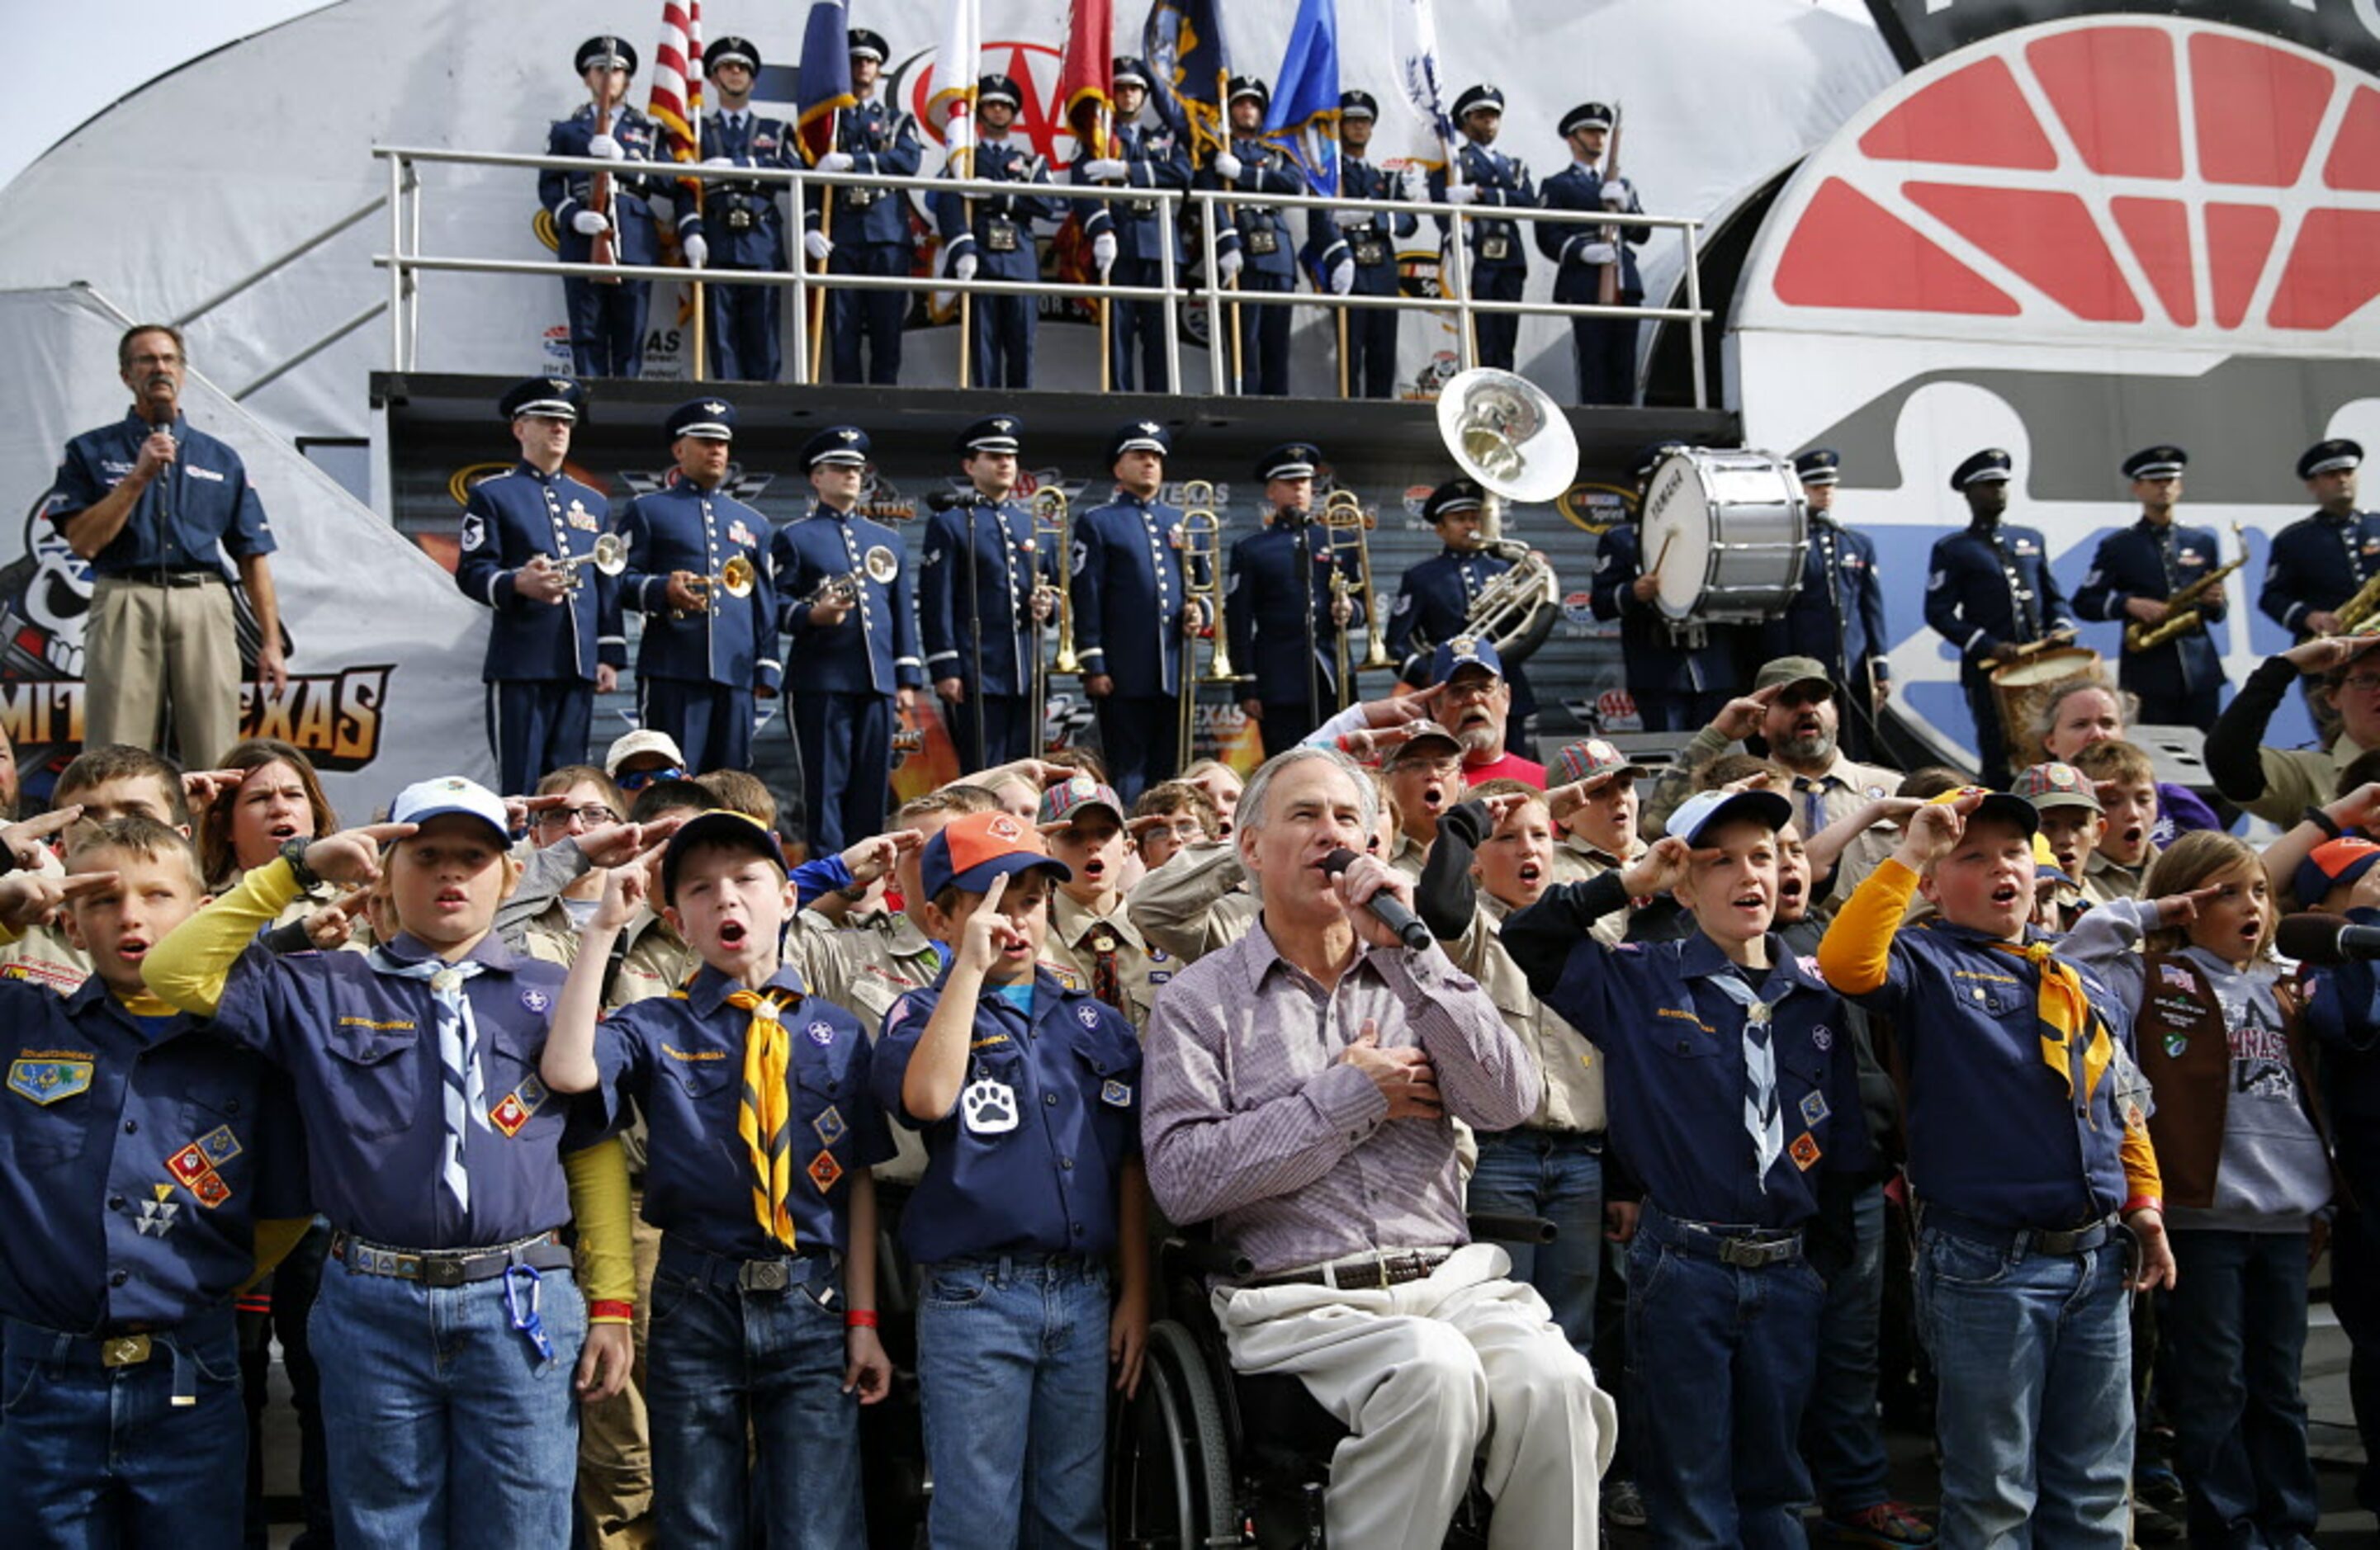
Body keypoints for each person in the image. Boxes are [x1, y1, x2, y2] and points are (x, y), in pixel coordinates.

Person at [141, 777, 638, 1548]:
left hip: (519, 1301)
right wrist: (295, 870)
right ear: (381, 876)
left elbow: (592, 1152)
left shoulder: (552, 989)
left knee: (523, 1530)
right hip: (370, 1300)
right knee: (382, 1532)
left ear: (510, 876)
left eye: (472, 857)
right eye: (425, 855)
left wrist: (610, 1303)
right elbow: (172, 973)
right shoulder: (316, 984)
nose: (448, 873)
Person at [1140, 746, 1611, 1547]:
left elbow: (1506, 1102)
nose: (1332, 833)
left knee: (1556, 1381)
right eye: (1306, 815)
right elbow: (1184, 1181)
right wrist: (1350, 1098)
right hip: (1299, 1297)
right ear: (1250, 848)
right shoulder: (1198, 1001)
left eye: (1348, 818)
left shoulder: (1415, 967)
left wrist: (1411, 959)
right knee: (1432, 1370)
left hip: (1451, 1278)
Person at [1501, 784, 1869, 1546]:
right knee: (1690, 1483)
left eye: (1762, 857)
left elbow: (1842, 1146)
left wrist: (1820, 1263)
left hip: (1787, 1267)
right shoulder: (1641, 978)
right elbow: (1529, 940)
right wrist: (1624, 882)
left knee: (1775, 1482)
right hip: (1684, 1265)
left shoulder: (1813, 997)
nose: (1748, 877)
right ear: (1684, 881)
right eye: (1719, 860)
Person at [1818, 789, 2174, 1548]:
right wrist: (1910, 849)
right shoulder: (1924, 960)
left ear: (2037, 868)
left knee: (2097, 1488)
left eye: (2011, 852)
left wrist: (2143, 1205)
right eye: (1969, 857)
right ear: (1933, 886)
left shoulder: (2082, 982)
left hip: (2095, 1259)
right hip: (1985, 1262)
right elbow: (1844, 964)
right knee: (1993, 1495)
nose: (1998, 868)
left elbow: (2123, 1106)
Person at [542, 810, 893, 1546]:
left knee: (816, 1523)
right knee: (698, 1519)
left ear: (789, 898)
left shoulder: (836, 1031)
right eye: (700, 890)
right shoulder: (655, 1026)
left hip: (813, 1298)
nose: (725, 899)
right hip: (694, 1297)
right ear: (677, 919)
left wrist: (862, 1321)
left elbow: (856, 1181)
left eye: (745, 880)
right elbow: (570, 1070)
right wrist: (603, 928)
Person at [0, 816, 308, 1550]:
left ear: (202, 915)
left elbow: (287, 1209)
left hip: (187, 1375)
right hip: (39, 1378)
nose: (130, 916)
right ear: (68, 924)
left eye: (156, 895)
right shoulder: (18, 1018)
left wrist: (191, 1281)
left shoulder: (250, 1045)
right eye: (102, 900)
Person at [871, 810, 1150, 1549]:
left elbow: (1127, 1167)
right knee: (977, 1517)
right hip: (976, 1297)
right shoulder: (922, 1011)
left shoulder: (1093, 1022)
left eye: (1029, 897)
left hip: (1084, 1294)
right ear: (940, 916)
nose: (1014, 918)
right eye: (990, 900)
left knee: (1071, 1515)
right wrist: (965, 966)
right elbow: (927, 1098)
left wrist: (1135, 1295)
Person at [2064, 832, 2328, 1550]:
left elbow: (2312, 1101)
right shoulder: (2149, 979)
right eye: (2226, 893)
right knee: (2214, 1385)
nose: (2250, 906)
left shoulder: (2288, 984)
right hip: (2199, 1219)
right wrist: (2148, 914)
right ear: (2184, 904)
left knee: (2279, 1389)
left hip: (2284, 1219)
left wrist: (2324, 1198)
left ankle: (2289, 1527)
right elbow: (2069, 961)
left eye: (2259, 892)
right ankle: (2228, 1530)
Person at [1414, 787, 1609, 1365]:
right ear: (1476, 859)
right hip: (1502, 1156)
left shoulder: (1588, 933)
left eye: (1540, 835)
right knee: (1505, 1325)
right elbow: (1440, 908)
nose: (1528, 848)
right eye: (1507, 838)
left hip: (1582, 1159)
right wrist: (1465, 825)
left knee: (1574, 1330)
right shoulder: (1470, 934)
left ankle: (1574, 1452)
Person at [45, 322, 284, 763]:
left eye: (168, 359)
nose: (159, 368)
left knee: (217, 747)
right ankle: (116, 833)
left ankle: (210, 834)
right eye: (146, 360)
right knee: (115, 750)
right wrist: (138, 477)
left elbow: (252, 555)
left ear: (183, 371)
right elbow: (82, 542)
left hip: (204, 599)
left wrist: (270, 642)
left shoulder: (220, 458)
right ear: (126, 375)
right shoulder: (90, 450)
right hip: (125, 596)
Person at [457, 376, 625, 795]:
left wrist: (608, 654)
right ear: (519, 429)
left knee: (568, 786)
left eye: (566, 421)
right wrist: (518, 582)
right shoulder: (493, 495)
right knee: (520, 784)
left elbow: (607, 582)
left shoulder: (594, 502)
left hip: (577, 664)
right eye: (548, 419)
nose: (559, 428)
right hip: (521, 662)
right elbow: (472, 571)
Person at [773, 425, 923, 853]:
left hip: (876, 683)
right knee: (825, 788)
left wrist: (907, 679)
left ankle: (867, 879)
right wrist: (811, 615)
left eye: (856, 469)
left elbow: (900, 615)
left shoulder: (888, 540)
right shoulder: (795, 537)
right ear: (816, 478)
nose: (851, 476)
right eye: (839, 469)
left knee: (871, 787)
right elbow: (773, 606)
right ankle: (830, 881)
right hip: (820, 681)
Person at [617, 397, 782, 774]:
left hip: (735, 674)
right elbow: (618, 581)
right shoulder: (647, 510)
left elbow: (765, 602)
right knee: (670, 778)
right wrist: (660, 589)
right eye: (706, 441)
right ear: (679, 449)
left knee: (730, 781)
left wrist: (766, 668)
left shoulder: (753, 522)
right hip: (672, 669)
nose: (716, 451)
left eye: (722, 443)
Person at [1924, 448, 2080, 790]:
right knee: (2000, 752)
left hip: (2043, 666)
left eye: (2002, 484)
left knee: (2051, 748)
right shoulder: (1954, 548)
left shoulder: (2030, 538)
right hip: (1993, 673)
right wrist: (1989, 646)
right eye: (1988, 485)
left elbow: (2054, 597)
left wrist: (2061, 627)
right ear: (1969, 493)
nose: (1997, 491)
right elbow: (1938, 612)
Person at [1071, 422, 1201, 805]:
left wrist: (1200, 610)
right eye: (1139, 456)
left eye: (1156, 457)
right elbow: (1087, 594)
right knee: (1127, 766)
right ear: (1118, 469)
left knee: (1171, 766)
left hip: (1175, 668)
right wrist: (1093, 662)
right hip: (1124, 670)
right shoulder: (1099, 521)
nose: (1150, 463)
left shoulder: (1180, 521)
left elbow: (1202, 585)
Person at [920, 415, 1054, 773]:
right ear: (969, 465)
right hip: (976, 672)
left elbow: (1055, 590)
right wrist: (946, 668)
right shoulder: (950, 521)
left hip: (1028, 671)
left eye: (1010, 456)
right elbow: (937, 602)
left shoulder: (1033, 523)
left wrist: (1049, 604)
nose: (1005, 463)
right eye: (994, 456)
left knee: (1028, 771)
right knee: (983, 772)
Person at [2074, 445, 2228, 732]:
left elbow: (2219, 614)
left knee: (2208, 756)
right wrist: (2128, 603)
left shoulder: (2202, 541)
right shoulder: (2119, 546)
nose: (2163, 487)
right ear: (2137, 488)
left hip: (2201, 671)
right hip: (2148, 673)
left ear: (2180, 486)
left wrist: (2216, 601)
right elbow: (2085, 602)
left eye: (2170, 480)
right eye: (2155, 481)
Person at [542, 36, 665, 378]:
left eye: (617, 72)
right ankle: (589, 398)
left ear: (627, 80)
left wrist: (624, 162)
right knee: (587, 327)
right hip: (585, 232)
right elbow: (549, 185)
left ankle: (628, 403)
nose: (608, 77)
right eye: (600, 70)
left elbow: (670, 182)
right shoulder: (567, 131)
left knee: (631, 327)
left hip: (634, 234)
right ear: (586, 78)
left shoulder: (649, 131)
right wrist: (573, 216)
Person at [1592, 441, 1737, 732]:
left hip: (1713, 670)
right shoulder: (1620, 539)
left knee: (1717, 760)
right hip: (1659, 672)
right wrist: (1632, 592)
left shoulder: (1715, 533)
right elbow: (1601, 603)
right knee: (1671, 760)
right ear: (1643, 487)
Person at [809, 26, 924, 386]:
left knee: (887, 333)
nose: (863, 67)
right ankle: (846, 409)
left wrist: (852, 163)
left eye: (870, 62)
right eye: (856, 61)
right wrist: (811, 224)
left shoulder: (898, 120)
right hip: (841, 233)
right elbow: (811, 179)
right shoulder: (828, 123)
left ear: (880, 70)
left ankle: (883, 409)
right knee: (842, 335)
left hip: (886, 234)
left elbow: (908, 161)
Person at [933, 74, 1062, 390]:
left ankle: (1021, 411)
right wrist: (962, 248)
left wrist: (998, 195)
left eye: (1005, 106)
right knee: (983, 345)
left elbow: (1047, 203)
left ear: (1014, 113)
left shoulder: (1032, 163)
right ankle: (987, 412)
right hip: (981, 258)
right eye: (991, 105)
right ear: (980, 112)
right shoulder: (965, 160)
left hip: (1019, 261)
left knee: (1021, 344)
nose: (998, 112)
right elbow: (943, 202)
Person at [1226, 443, 1357, 753]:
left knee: (1345, 764)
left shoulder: (1340, 541)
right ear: (1271, 491)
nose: (1299, 489)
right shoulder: (1252, 548)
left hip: (1333, 676)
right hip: (1278, 680)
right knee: (1286, 763)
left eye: (1305, 481)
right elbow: (1239, 621)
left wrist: (1352, 610)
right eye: (1289, 482)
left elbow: (1362, 602)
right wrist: (1247, 685)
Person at [1763, 450, 1890, 761]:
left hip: (1852, 663)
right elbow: (1780, 612)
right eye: (1816, 486)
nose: (1825, 492)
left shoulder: (1855, 541)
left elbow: (1871, 607)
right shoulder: (1790, 544)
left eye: (1830, 486)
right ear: (1801, 489)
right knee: (1812, 742)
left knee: (1857, 740)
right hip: (1808, 662)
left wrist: (1881, 664)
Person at [1074, 58, 1191, 393]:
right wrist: (1101, 230)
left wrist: (1128, 171)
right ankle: (1120, 399)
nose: (1127, 96)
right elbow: (1081, 188)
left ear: (1145, 95)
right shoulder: (1096, 141)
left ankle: (1161, 403)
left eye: (1134, 89)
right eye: (1121, 89)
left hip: (1161, 245)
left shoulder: (1165, 140)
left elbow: (1183, 175)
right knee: (1117, 332)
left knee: (1161, 333)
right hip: (1119, 242)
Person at [1386, 479, 1539, 733]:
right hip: (1450, 694)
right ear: (1440, 529)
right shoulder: (1421, 577)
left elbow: (1526, 627)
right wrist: (1429, 676)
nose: (1469, 525)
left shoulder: (1507, 569)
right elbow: (1396, 643)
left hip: (1504, 686)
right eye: (1459, 519)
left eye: (1474, 518)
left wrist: (1533, 581)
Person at [1035, 774, 1174, 1029]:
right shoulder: (1028, 938)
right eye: (1073, 835)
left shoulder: (1166, 934)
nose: (1092, 845)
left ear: (1128, 848)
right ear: (1046, 849)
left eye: (1105, 833)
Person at [1200, 77, 1308, 396]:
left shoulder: (1276, 150)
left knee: (1277, 345)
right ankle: (1245, 410)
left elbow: (1293, 183)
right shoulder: (1217, 150)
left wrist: (1243, 175)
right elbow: (1210, 198)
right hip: (1242, 248)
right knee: (1243, 343)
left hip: (1278, 253)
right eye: (1241, 104)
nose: (1248, 110)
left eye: (1253, 105)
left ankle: (1278, 412)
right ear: (1230, 109)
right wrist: (1227, 242)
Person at [691, 36, 790, 383]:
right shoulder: (696, 129)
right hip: (716, 237)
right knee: (721, 339)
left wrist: (743, 163)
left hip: (761, 240)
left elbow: (794, 171)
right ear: (713, 77)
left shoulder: (775, 131)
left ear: (754, 79)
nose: (735, 73)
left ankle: (767, 416)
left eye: (743, 68)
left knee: (763, 336)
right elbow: (678, 184)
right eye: (727, 67)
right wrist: (690, 230)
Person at [2207, 632, 2380, 825]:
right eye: (2367, 679)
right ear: (2332, 697)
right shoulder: (2306, 773)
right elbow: (2227, 759)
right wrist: (2284, 666)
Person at [1536, 102, 1646, 406]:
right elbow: (1547, 236)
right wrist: (1583, 251)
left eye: (1602, 132)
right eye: (1590, 132)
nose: (1598, 139)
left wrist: (1627, 208)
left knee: (1624, 359)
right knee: (1593, 357)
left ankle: (1625, 418)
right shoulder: (1558, 185)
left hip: (1624, 279)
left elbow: (1642, 234)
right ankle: (1597, 416)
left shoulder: (1621, 185)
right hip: (1585, 280)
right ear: (1572, 138)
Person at [1307, 89, 1412, 399]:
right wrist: (1339, 256)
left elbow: (1409, 221)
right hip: (1349, 265)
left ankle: (1381, 411)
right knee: (1350, 351)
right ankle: (1350, 410)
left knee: (1383, 353)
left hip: (1382, 270)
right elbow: (1320, 222)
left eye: (1364, 122)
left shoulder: (1385, 179)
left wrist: (1377, 217)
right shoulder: (1329, 175)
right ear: (1340, 126)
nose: (1358, 128)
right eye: (1351, 121)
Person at [2034, 675, 2222, 842]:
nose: (2098, 734)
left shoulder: (2173, 802)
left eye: (2107, 723)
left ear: (2123, 733)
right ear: (2051, 742)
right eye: (2081, 725)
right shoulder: (2035, 808)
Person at [1431, 86, 1535, 375]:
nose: (1489, 121)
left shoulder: (1513, 166)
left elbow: (1528, 200)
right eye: (1481, 116)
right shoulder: (1455, 164)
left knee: (1505, 340)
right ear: (1466, 122)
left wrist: (1480, 193)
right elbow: (1442, 209)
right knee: (1480, 338)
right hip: (1475, 256)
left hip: (1509, 258)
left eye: (1494, 115)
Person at [2260, 437, 2380, 642]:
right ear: (2312, 485)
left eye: (2348, 472)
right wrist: (2309, 617)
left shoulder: (2376, 524)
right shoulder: (2294, 539)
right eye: (2331, 475)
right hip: (2332, 647)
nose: (2342, 480)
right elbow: (2272, 598)